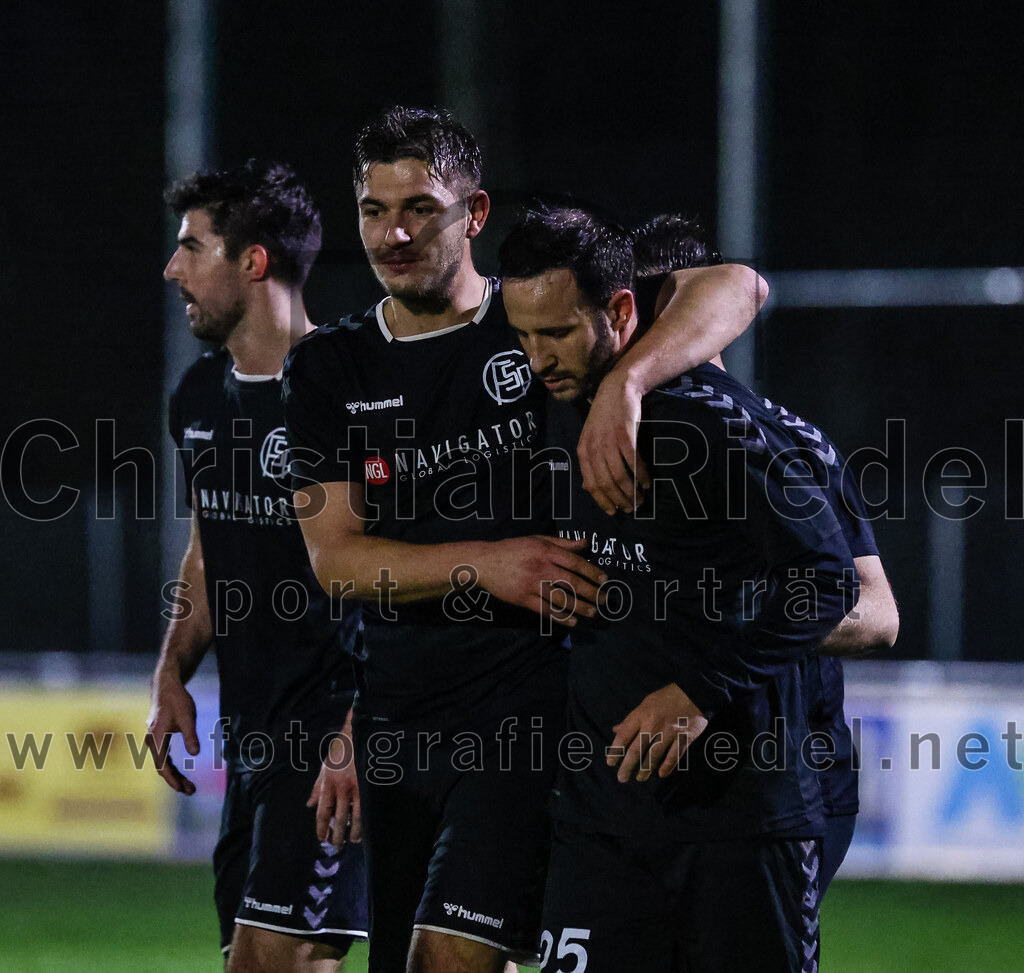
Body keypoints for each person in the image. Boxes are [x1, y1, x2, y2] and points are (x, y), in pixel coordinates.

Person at [281, 106, 768, 973]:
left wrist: (629, 385)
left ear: (473, 213)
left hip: (529, 713)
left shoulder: (536, 319)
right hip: (397, 720)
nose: (392, 232)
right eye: (371, 208)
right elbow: (336, 561)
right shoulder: (330, 366)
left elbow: (737, 284)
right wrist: (489, 568)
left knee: (452, 959)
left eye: (420, 207)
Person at [499, 205, 866, 972]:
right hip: (600, 829)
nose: (538, 358)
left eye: (558, 333)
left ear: (623, 310)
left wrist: (699, 688)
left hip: (740, 821)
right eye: (524, 336)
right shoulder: (554, 407)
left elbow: (830, 579)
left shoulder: (713, 429)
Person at [632, 213, 900, 895]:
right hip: (652, 765)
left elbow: (876, 613)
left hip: (784, 773)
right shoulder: (620, 434)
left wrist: (722, 635)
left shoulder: (790, 441)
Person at [146, 159, 368, 973]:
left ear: (254, 261)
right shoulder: (199, 396)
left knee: (270, 961)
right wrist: (171, 669)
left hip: (335, 727)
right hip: (253, 737)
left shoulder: (353, 392)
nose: (173, 269)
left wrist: (359, 728)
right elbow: (210, 547)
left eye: (191, 248)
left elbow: (401, 570)